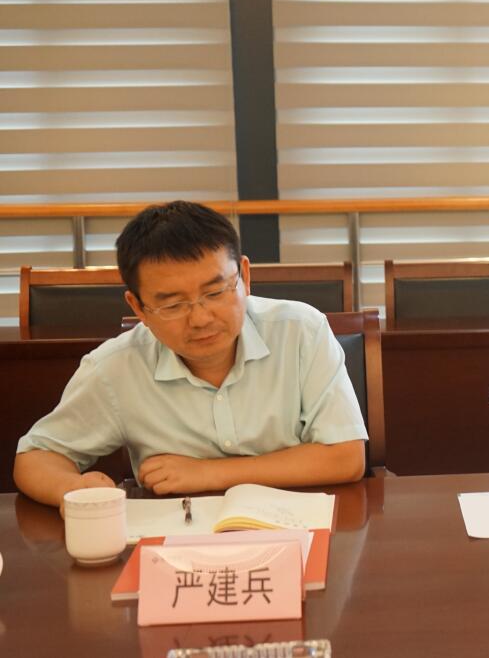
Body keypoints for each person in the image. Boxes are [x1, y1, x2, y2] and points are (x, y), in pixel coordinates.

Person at [13, 201, 368, 508]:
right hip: (175, 544)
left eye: (215, 293)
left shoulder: (301, 330)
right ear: (138, 307)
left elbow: (346, 457)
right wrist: (72, 490)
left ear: (244, 276)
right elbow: (35, 458)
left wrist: (208, 473)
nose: (200, 319)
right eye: (172, 305)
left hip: (298, 528)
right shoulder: (115, 367)